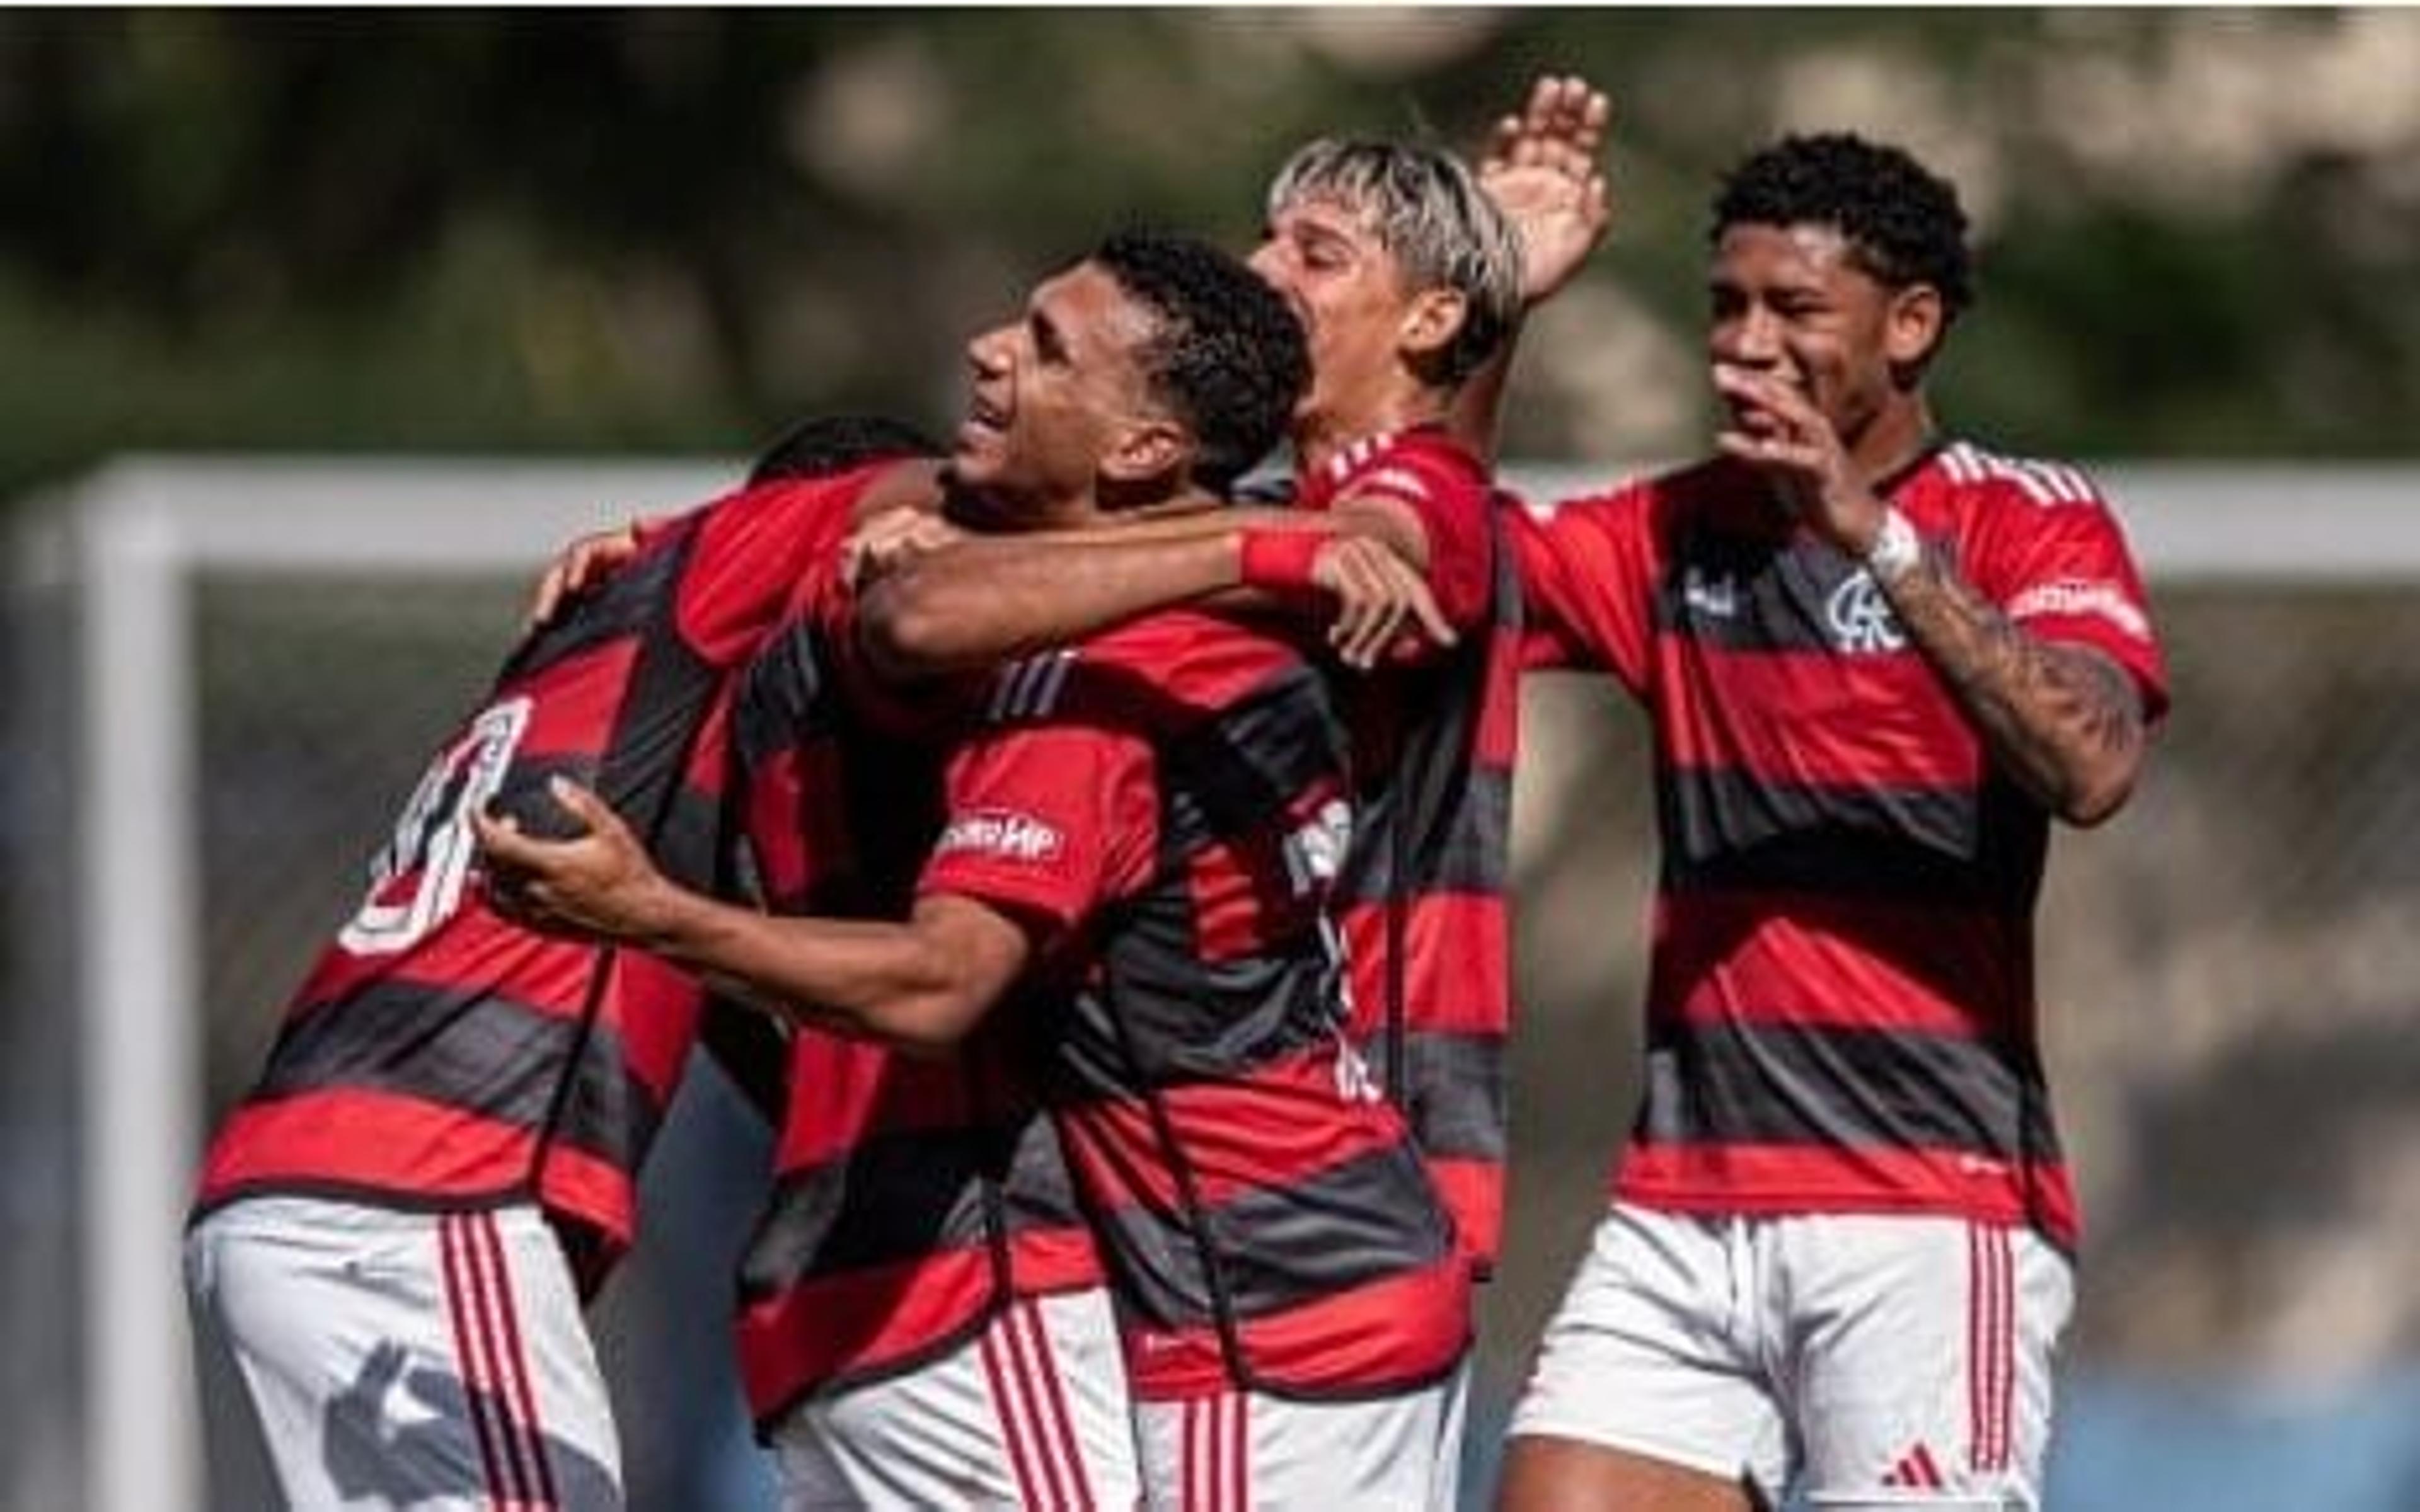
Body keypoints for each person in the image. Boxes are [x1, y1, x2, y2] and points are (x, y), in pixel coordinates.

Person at [480, 229, 1477, 1508]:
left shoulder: (1098, 699)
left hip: (1250, 1313)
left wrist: (651, 913)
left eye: (1048, 346)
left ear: (1139, 449)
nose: (990, 349)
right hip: (1274, 1271)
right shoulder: (1257, 615)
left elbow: (938, 972)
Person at [1495, 132, 2169, 1512]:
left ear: (1910, 325)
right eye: (1726, 306)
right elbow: (1440, 561)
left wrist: (1873, 536)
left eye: (1794, 310)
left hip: (1925, 1213)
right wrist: (1489, 302)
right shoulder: (1670, 534)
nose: (1744, 344)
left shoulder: (2026, 521)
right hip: (1682, 1207)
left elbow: (2091, 765)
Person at [844, 90, 1612, 1283]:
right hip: (1217, 1170)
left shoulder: (1399, 507)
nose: (1265, 270)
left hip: (1352, 1170)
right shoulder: (1265, 510)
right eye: (1269, 238)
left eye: (1318, 253)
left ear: (1428, 317)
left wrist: (986, 569)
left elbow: (1404, 529)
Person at [183, 416, 938, 1509]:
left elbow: (727, 985)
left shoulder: (620, 689)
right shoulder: (739, 562)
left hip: (308, 1189)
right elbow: (962, 494)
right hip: (430, 1191)